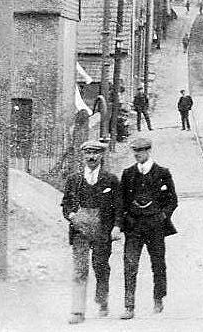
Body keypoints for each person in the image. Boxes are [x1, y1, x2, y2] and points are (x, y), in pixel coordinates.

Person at [62, 139, 120, 324]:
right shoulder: (74, 180)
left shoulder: (110, 179)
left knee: (100, 266)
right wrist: (72, 216)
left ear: (101, 155)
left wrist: (117, 226)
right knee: (80, 269)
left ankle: (102, 299)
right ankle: (77, 311)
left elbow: (118, 206)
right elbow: (66, 204)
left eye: (95, 153)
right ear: (83, 155)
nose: (91, 157)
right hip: (80, 229)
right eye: (88, 153)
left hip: (102, 228)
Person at [119, 137, 177, 319]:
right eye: (135, 151)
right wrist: (126, 218)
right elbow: (121, 201)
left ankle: (158, 299)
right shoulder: (128, 173)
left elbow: (172, 200)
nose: (137, 154)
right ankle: (129, 306)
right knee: (130, 265)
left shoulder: (162, 173)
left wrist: (162, 216)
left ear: (148, 151)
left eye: (141, 151)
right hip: (134, 227)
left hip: (155, 227)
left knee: (158, 264)